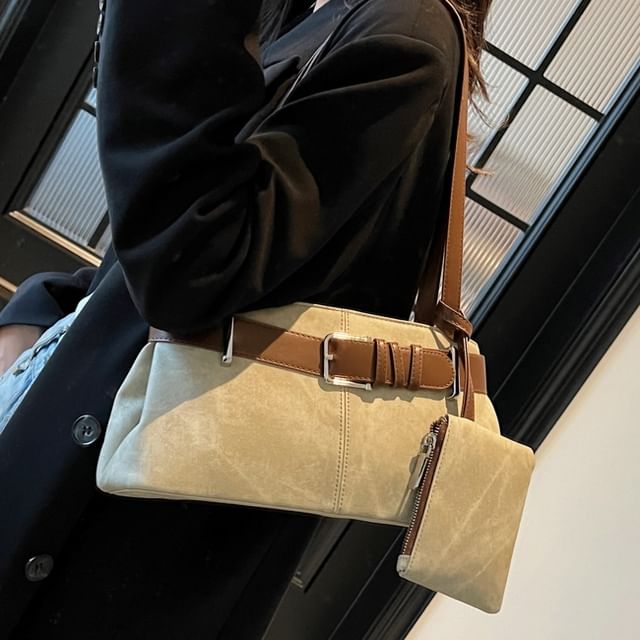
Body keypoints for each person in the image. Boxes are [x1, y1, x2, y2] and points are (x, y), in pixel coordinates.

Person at [0, 0, 493, 637]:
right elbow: (180, 251)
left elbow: (192, 269)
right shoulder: (333, 14)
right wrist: (41, 311)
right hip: (84, 487)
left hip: (105, 544)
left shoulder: (406, 34)